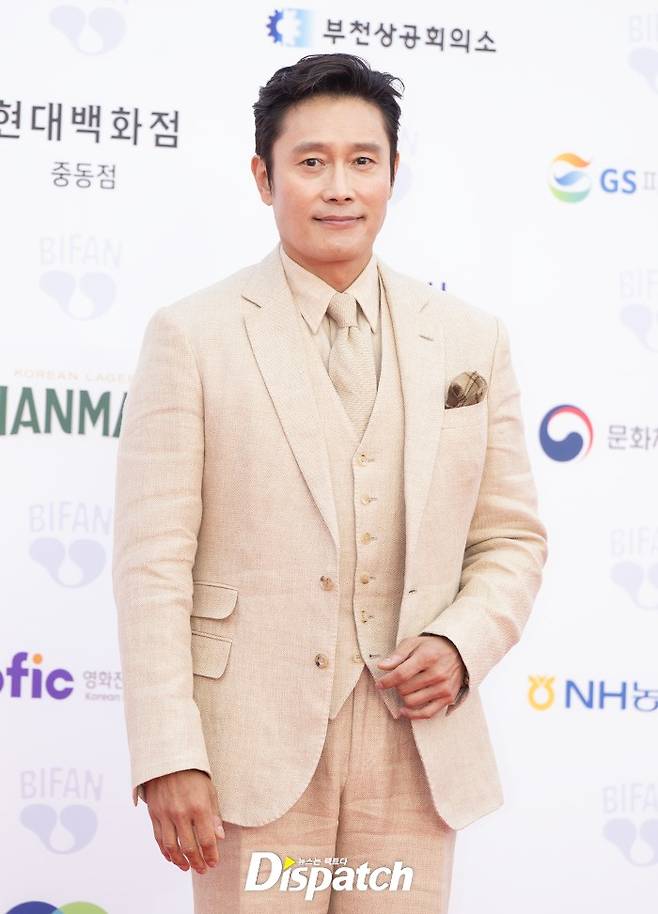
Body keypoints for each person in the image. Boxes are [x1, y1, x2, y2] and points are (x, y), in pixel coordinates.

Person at [112, 52, 548, 913]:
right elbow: (151, 564)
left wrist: (461, 643)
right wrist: (170, 752)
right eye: (311, 162)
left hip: (416, 751)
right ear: (263, 177)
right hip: (249, 750)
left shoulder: (470, 339)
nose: (339, 187)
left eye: (362, 161)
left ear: (392, 173)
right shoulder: (192, 336)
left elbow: (511, 538)